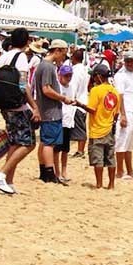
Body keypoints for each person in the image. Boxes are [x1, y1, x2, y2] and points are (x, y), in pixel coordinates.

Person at [0, 28, 40, 195]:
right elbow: (23, 85)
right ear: (26, 42)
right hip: (17, 105)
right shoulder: (22, 58)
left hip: (4, 104)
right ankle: (2, 173)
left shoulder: (4, 56)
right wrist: (34, 106)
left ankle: (8, 181)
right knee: (29, 143)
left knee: (15, 142)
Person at [32, 39, 70, 184]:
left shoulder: (43, 65)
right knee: (49, 143)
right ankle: (49, 173)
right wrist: (62, 98)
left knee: (44, 141)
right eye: (63, 54)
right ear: (57, 50)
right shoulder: (47, 67)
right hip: (50, 110)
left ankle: (44, 171)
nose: (63, 58)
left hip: (45, 109)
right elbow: (46, 89)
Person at [76, 65, 119, 189]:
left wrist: (80, 105)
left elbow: (92, 109)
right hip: (109, 129)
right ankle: (111, 184)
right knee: (111, 158)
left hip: (97, 129)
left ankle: (99, 184)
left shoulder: (96, 91)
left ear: (99, 76)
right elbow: (116, 113)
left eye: (94, 76)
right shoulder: (114, 91)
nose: (93, 78)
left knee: (98, 158)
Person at [114, 53, 133, 180]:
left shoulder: (132, 74)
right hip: (126, 111)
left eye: (132, 61)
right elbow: (120, 95)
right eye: (127, 61)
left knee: (129, 143)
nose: (130, 63)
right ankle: (119, 171)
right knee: (121, 141)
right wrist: (122, 114)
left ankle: (129, 170)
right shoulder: (120, 75)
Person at [68, 49, 89, 158]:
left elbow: (73, 86)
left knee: (80, 127)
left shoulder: (76, 71)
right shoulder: (84, 69)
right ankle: (80, 150)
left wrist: (71, 99)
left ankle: (80, 150)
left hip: (78, 101)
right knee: (81, 125)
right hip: (84, 99)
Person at [56, 64, 74, 183]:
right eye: (66, 75)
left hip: (68, 120)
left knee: (65, 149)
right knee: (57, 148)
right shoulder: (57, 88)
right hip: (59, 119)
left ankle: (64, 171)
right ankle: (57, 171)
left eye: (69, 75)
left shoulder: (71, 87)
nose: (68, 78)